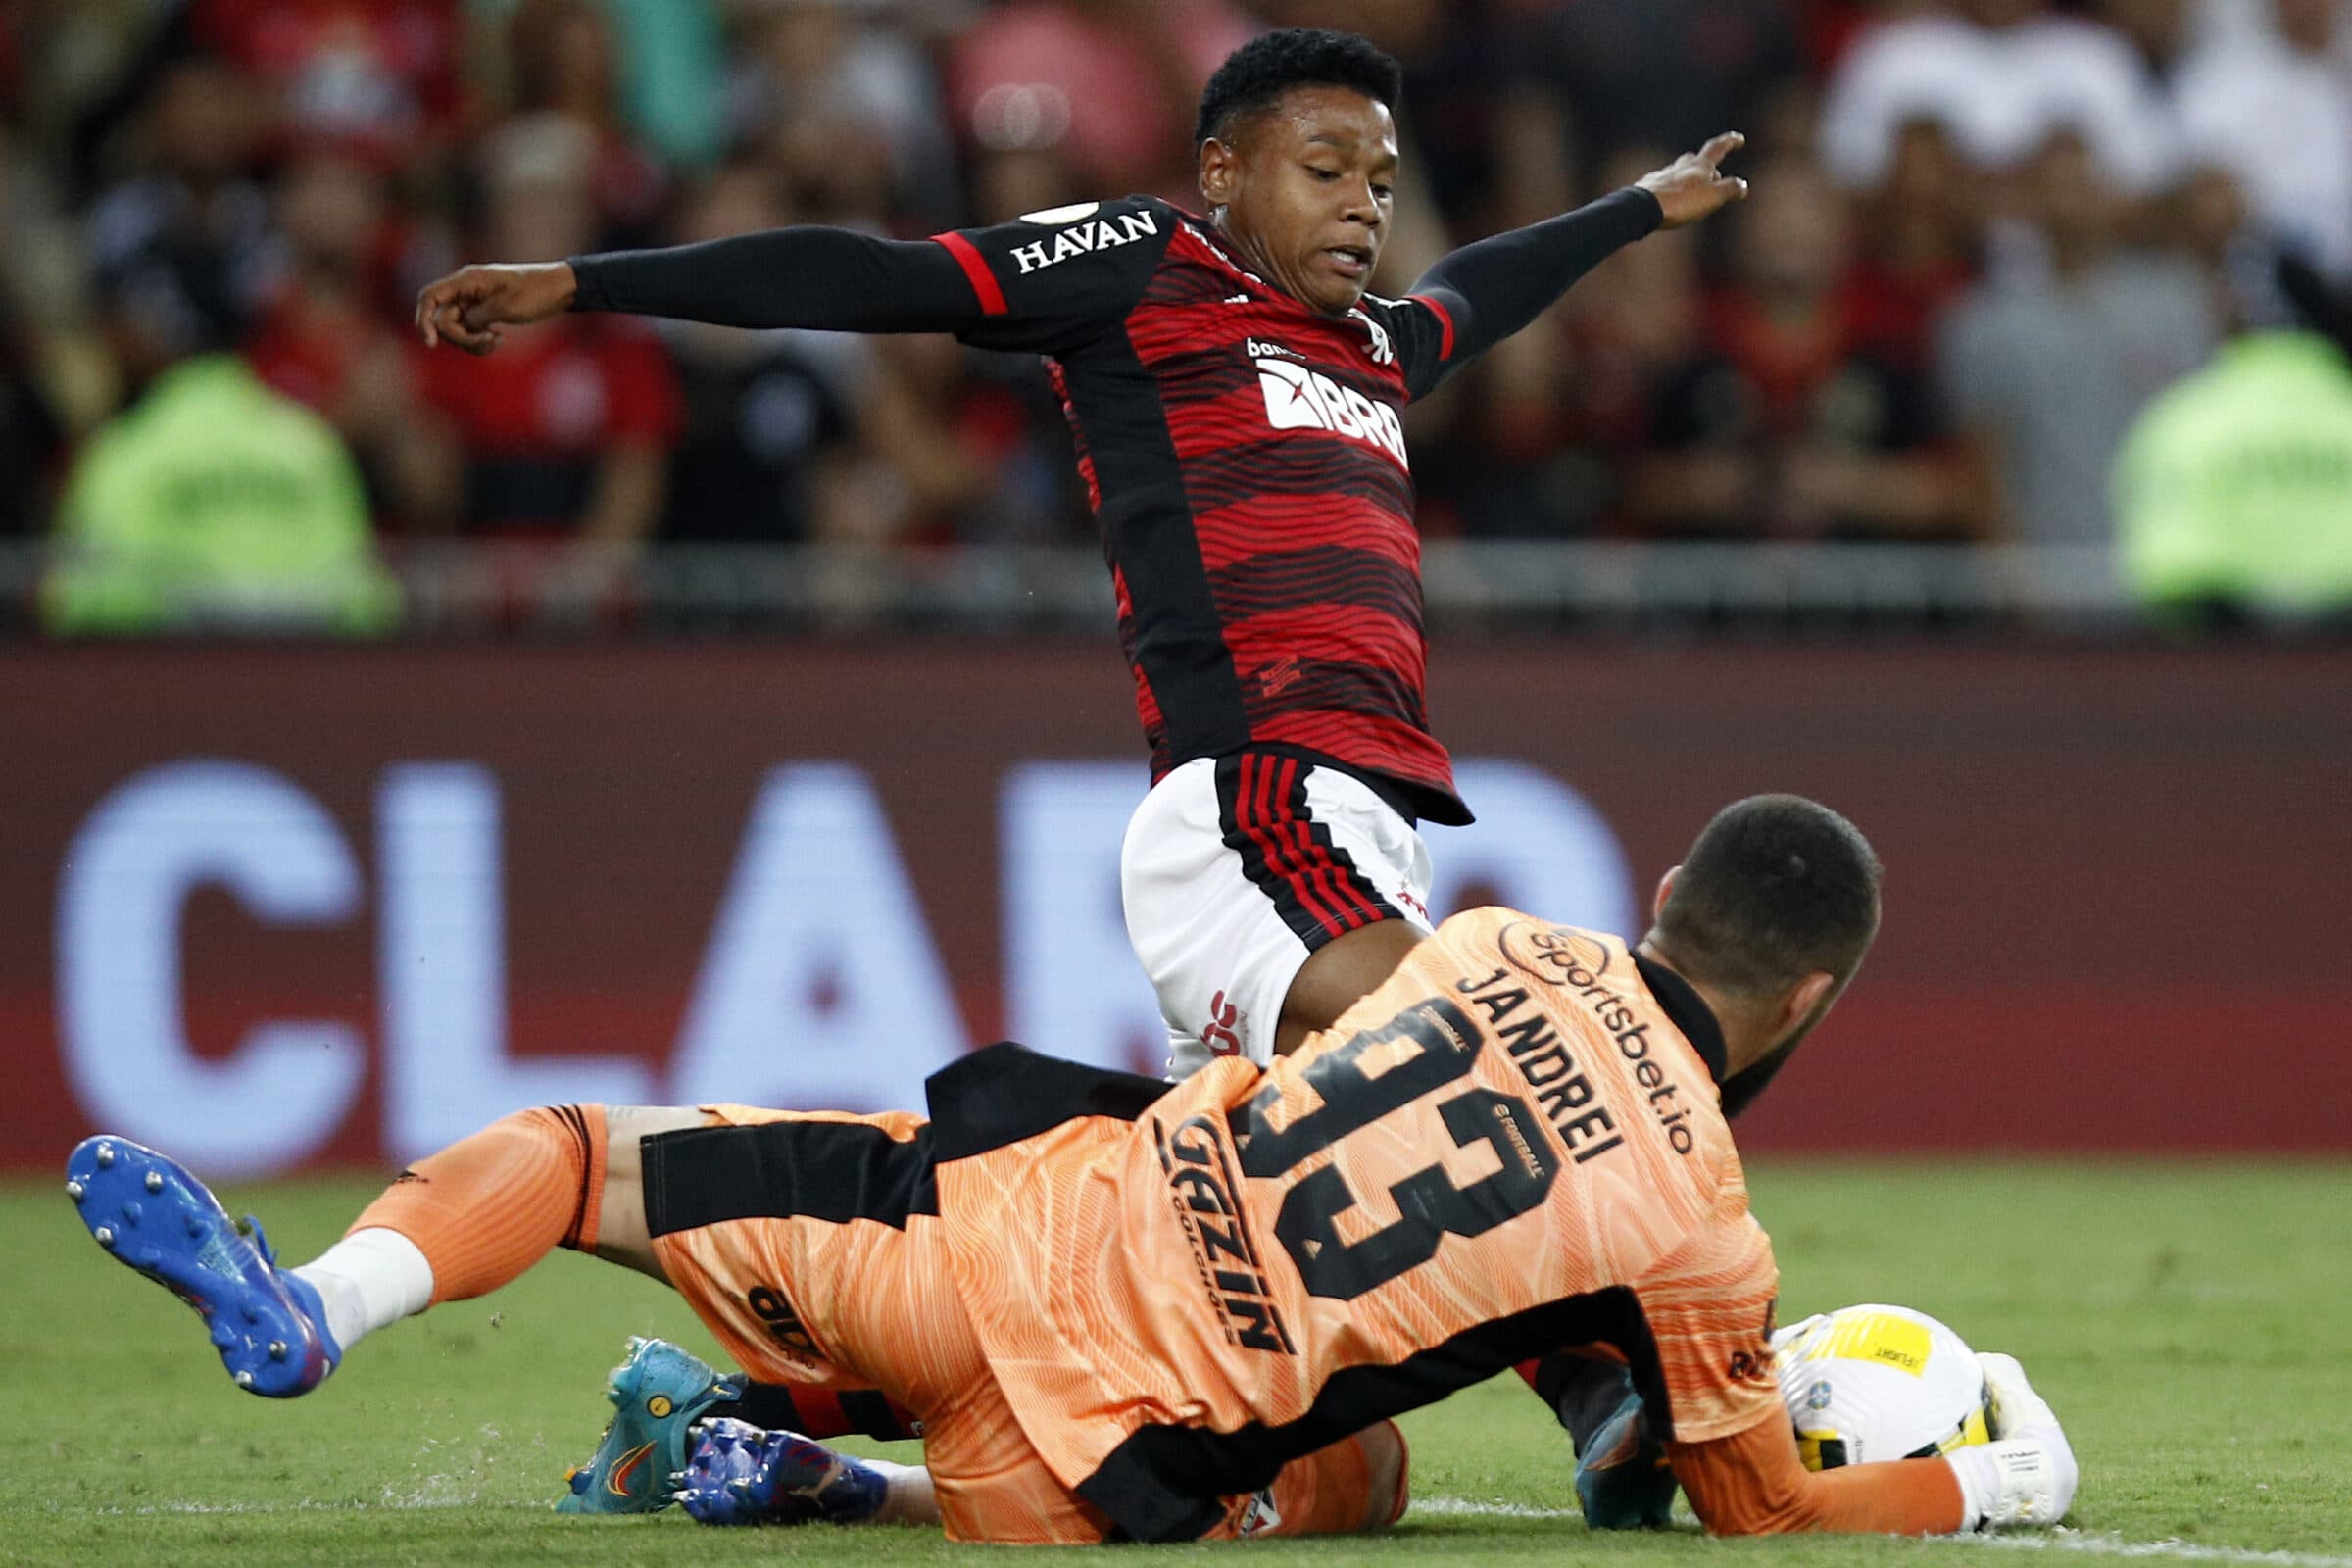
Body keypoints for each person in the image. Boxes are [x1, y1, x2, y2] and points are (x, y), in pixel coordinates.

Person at [413, 23, 1751, 1521]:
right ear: (1223, 170)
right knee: (1464, 1065)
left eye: (1380, 175)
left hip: (1358, 822)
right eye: (1325, 169)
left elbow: (1475, 291)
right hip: (1258, 798)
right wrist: (588, 287)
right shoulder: (1146, 262)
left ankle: (737, 1419)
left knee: (1234, 1317)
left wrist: (1641, 208)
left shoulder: (1368, 345)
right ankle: (1603, 1387)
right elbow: (879, 273)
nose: (1364, 203)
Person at [69, 796, 2079, 1544]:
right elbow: (1761, 1513)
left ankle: (323, 1300)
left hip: (969, 1234)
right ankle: (823, 1477)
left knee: (583, 1149)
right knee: (1356, 1474)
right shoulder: (1702, 1231)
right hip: (1094, 1472)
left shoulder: (1488, 939)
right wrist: (1990, 1473)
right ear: (1817, 995)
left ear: (1657, 891)